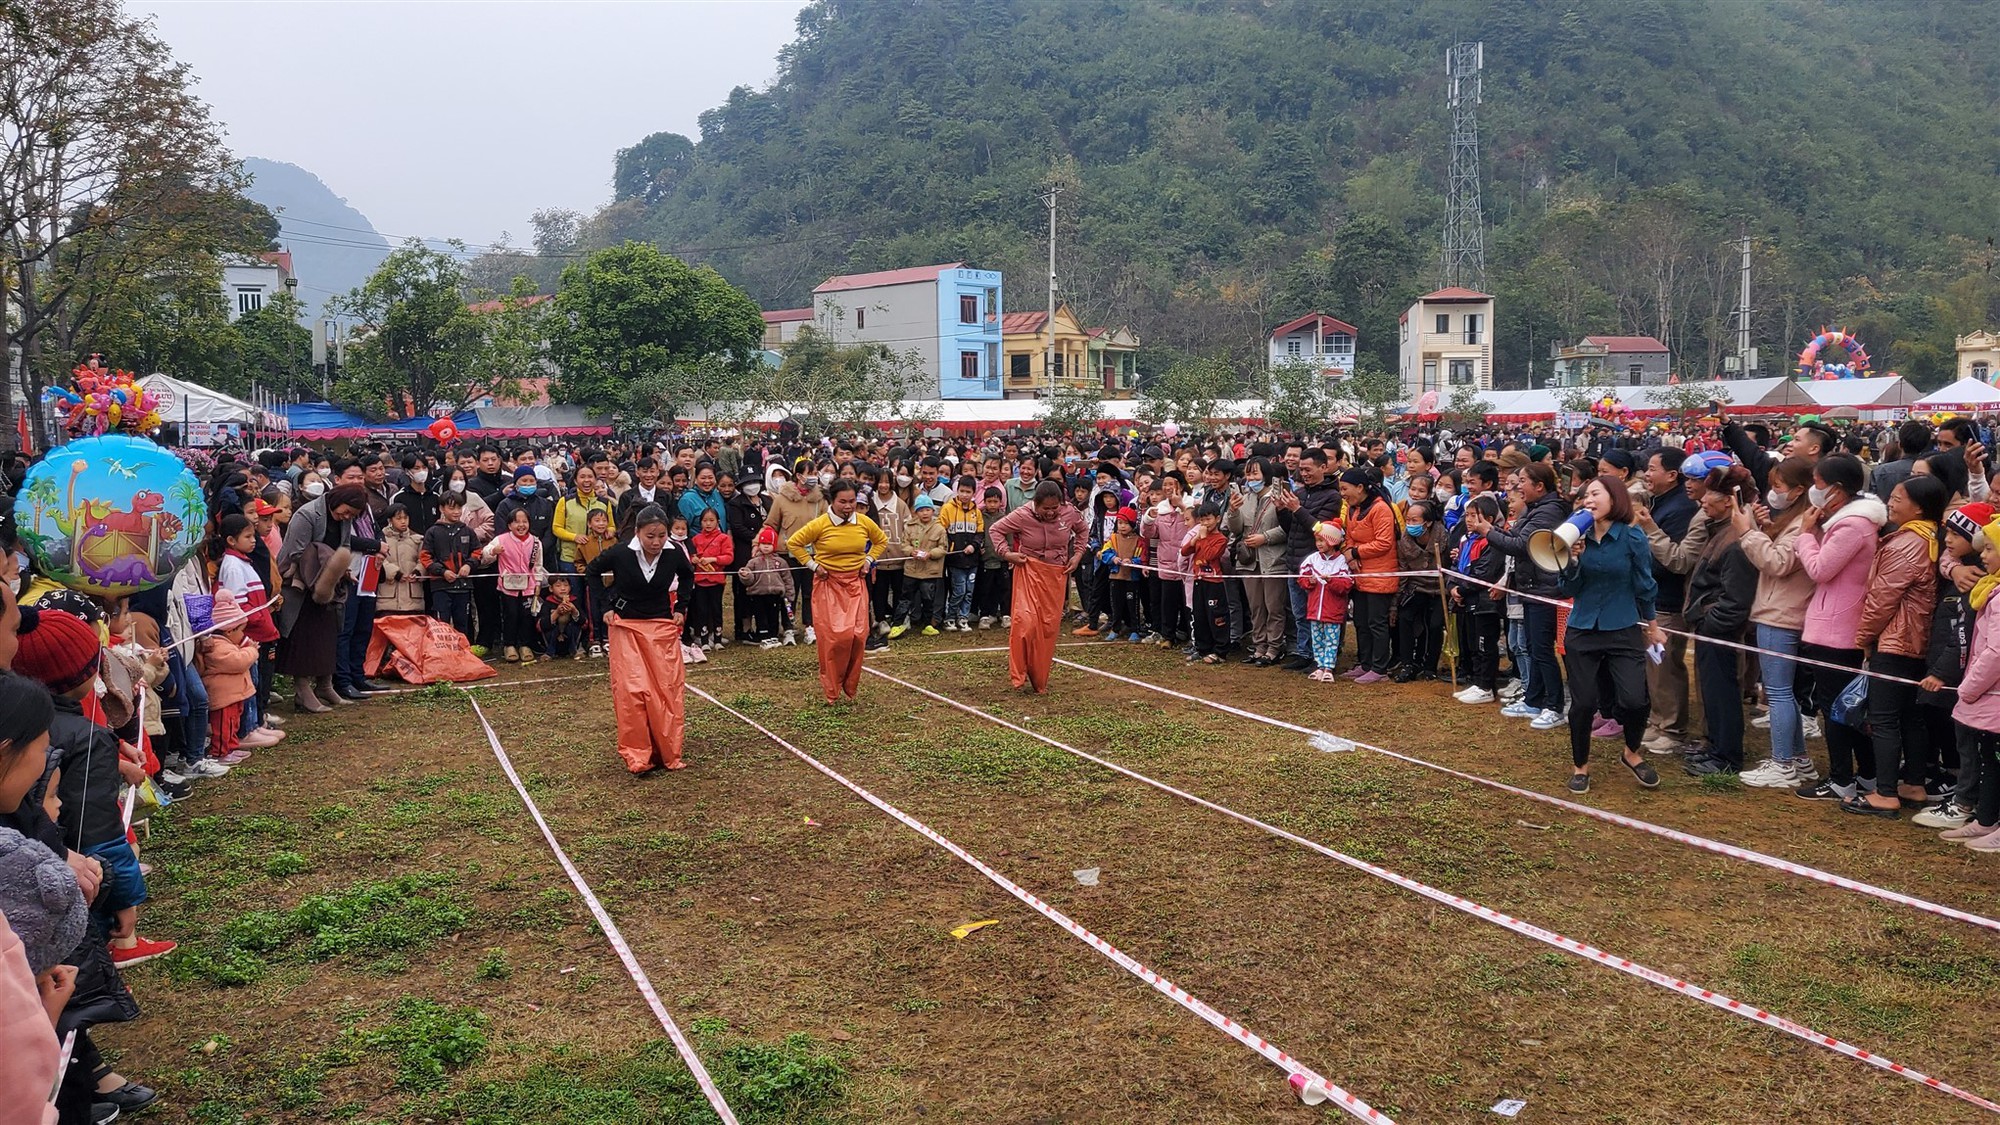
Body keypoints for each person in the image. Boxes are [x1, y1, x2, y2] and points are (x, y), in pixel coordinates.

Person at [1846, 474, 1949, 818]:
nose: (1890, 502)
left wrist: (1863, 638)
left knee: (1885, 718)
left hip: (1895, 639)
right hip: (1920, 641)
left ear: (1919, 507)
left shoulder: (1907, 544)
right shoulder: (1933, 538)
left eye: (1898, 498)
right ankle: (1914, 783)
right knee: (1911, 717)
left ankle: (1885, 793)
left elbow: (1881, 599)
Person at [1554, 476, 1665, 793]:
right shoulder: (1576, 536)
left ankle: (1631, 753)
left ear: (1615, 498)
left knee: (1634, 700)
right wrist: (1572, 559)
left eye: (1595, 493)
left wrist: (1653, 626)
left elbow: (1645, 585)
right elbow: (1567, 588)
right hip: (1583, 629)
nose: (1588, 499)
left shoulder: (1632, 538)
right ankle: (1580, 767)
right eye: (1585, 495)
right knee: (1584, 702)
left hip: (1623, 627)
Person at [1792, 454, 1889, 802]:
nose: (1814, 490)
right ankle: (1866, 775)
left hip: (1837, 627)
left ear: (1837, 489)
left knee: (1837, 706)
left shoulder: (1852, 526)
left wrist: (1805, 535)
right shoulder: (1854, 522)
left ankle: (1841, 779)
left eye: (1818, 483)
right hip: (1840, 622)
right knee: (1850, 705)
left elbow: (1820, 569)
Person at [585, 506, 697, 774]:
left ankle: (666, 749)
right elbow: (592, 572)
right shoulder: (622, 553)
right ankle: (637, 753)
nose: (657, 542)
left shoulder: (673, 554)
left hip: (660, 627)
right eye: (650, 536)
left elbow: (688, 576)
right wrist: (606, 608)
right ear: (637, 533)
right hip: (626, 626)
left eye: (661, 535)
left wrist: (681, 607)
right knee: (632, 692)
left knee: (665, 690)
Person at [1733, 457, 1822, 790]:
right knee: (1787, 693)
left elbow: (1778, 561)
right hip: (1785, 609)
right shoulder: (1799, 519)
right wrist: (1758, 529)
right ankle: (1799, 759)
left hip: (1781, 613)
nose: (1773, 493)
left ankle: (1782, 763)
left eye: (1779, 487)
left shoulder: (1803, 523)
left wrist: (1745, 533)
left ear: (1799, 490)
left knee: (1780, 693)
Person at [1680, 467, 1760, 776]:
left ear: (1729, 500)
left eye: (1709, 495)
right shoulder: (1720, 530)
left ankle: (1727, 755)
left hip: (1719, 630)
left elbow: (1735, 599)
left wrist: (1710, 622)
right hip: (1709, 626)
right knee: (1713, 692)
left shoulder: (1736, 540)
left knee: (1723, 694)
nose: (1702, 501)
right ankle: (1715, 746)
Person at [785, 479, 886, 704]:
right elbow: (794, 543)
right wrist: (813, 565)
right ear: (832, 500)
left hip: (856, 584)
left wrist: (869, 560)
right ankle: (831, 687)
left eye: (852, 501)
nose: (848, 506)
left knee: (859, 636)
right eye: (843, 502)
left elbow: (881, 541)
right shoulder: (820, 524)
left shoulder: (864, 522)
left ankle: (849, 685)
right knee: (835, 638)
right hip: (829, 585)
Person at [988, 481, 1088, 693]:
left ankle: (1039, 677)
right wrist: (1007, 553)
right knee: (1025, 622)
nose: (1051, 513)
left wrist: (1077, 555)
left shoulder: (1069, 512)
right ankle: (1019, 672)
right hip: (1029, 571)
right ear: (1036, 503)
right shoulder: (1022, 515)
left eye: (1055, 508)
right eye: (1046, 508)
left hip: (1056, 574)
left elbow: (1082, 530)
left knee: (1048, 627)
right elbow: (996, 530)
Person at [275, 484, 366, 713]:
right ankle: (302, 690)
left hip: (329, 585)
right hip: (301, 584)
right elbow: (296, 552)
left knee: (328, 634)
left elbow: (344, 546)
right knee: (303, 639)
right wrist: (326, 565)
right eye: (346, 511)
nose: (347, 517)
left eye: (352, 515)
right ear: (338, 500)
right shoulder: (306, 515)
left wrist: (340, 572)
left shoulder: (344, 519)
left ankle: (325, 685)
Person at [1944, 512, 2000, 850]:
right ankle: (1986, 818)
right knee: (1990, 756)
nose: (1983, 554)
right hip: (1989, 693)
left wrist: (1969, 688)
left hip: (1991, 689)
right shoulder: (1991, 589)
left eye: (1991, 548)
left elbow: (1996, 652)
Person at [1338, 467, 1398, 683]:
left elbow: (1384, 543)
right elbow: (1350, 535)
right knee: (1362, 622)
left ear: (1360, 487)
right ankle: (1365, 663)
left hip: (1380, 575)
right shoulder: (1353, 509)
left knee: (1377, 623)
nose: (1342, 494)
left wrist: (1355, 552)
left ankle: (1380, 667)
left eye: (1345, 489)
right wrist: (1350, 554)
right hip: (1360, 573)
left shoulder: (1380, 509)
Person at [1228, 457, 1290, 666]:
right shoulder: (1244, 497)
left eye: (1255, 473)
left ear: (1266, 474)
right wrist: (1233, 511)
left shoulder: (1279, 497)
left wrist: (1266, 537)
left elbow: (1288, 527)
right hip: (1249, 561)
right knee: (1256, 606)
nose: (1251, 478)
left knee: (1274, 606)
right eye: (1248, 474)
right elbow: (1236, 529)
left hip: (1273, 560)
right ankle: (1259, 645)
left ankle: (1274, 647)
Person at [197, 589, 261, 767]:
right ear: (230, 630)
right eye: (241, 630)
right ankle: (220, 751)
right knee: (223, 726)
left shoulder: (226, 644)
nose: (243, 634)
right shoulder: (218, 647)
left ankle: (230, 747)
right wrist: (252, 650)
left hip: (233, 695)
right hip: (224, 696)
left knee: (233, 722)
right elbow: (238, 661)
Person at [480, 507, 546, 663]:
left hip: (528, 586)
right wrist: (494, 551)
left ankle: (525, 644)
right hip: (508, 587)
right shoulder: (501, 539)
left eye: (525, 521)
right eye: (517, 522)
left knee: (527, 616)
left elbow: (538, 564)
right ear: (509, 525)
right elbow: (485, 553)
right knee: (510, 615)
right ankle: (509, 644)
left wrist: (537, 582)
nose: (521, 525)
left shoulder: (536, 542)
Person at [1296, 522, 1354, 682]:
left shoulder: (1341, 561)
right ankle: (1319, 666)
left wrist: (1332, 581)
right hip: (1315, 609)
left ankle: (1329, 667)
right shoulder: (1312, 559)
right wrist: (1310, 582)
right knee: (1317, 639)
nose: (1319, 544)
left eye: (1322, 540)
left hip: (1333, 610)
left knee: (1332, 640)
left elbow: (1347, 584)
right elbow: (1301, 579)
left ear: (1333, 541)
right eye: (1317, 541)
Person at [422, 493, 479, 641]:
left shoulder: (468, 531)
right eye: (451, 508)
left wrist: (468, 565)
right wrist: (442, 572)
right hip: (441, 587)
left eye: (459, 508)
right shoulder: (433, 532)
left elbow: (477, 552)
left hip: (463, 586)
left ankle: (463, 654)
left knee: (463, 624)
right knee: (442, 624)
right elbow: (425, 557)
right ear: (442, 508)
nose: (456, 512)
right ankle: (443, 656)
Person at [893, 495, 948, 637]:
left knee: (928, 599)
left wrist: (930, 554)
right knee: (905, 598)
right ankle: (897, 624)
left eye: (928, 509)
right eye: (921, 510)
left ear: (932, 511)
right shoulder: (909, 527)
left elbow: (943, 548)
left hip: (930, 571)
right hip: (912, 569)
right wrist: (912, 551)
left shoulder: (939, 528)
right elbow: (904, 544)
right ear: (916, 512)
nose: (925, 513)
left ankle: (928, 624)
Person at [940, 476, 985, 632]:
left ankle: (963, 618)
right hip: (955, 559)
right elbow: (941, 530)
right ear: (957, 491)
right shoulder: (947, 508)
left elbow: (980, 532)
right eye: (962, 491)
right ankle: (950, 617)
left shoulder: (977, 512)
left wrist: (974, 546)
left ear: (974, 493)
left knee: (969, 591)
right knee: (958, 590)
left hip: (972, 559)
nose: (965, 495)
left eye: (968, 492)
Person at [739, 527, 795, 648]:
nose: (765, 547)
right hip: (758, 594)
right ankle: (763, 636)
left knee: (773, 615)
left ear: (774, 545)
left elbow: (787, 579)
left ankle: (773, 635)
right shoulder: (754, 562)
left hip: (775, 595)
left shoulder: (780, 562)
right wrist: (745, 575)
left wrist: (789, 594)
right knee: (760, 615)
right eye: (763, 543)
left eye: (769, 544)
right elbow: (749, 580)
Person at [688, 507, 733, 650]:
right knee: (701, 610)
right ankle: (704, 639)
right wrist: (693, 559)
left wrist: (713, 559)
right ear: (700, 522)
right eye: (705, 521)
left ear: (718, 522)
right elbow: (689, 555)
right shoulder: (695, 539)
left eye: (711, 520)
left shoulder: (723, 538)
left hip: (716, 580)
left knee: (716, 609)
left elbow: (729, 557)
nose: (708, 524)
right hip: (700, 581)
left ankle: (718, 638)